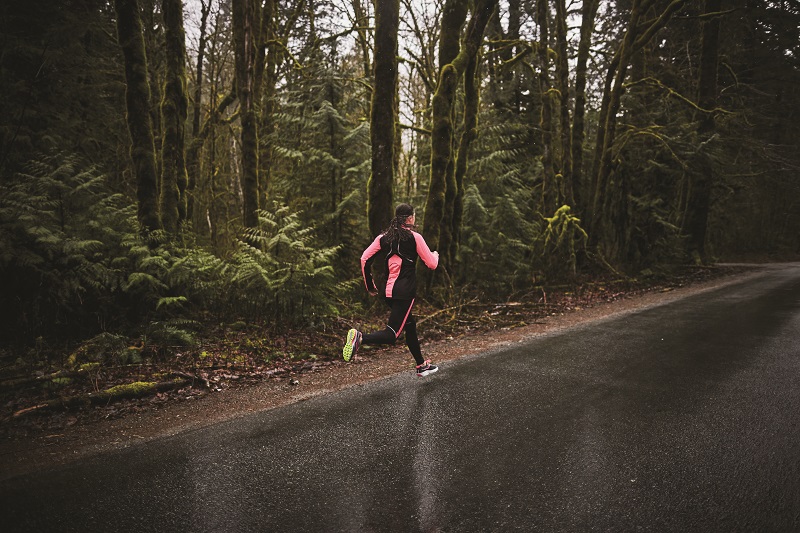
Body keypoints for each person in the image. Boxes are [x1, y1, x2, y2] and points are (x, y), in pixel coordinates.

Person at [343, 203, 440, 377]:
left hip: (389, 292)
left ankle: (421, 365)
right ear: (410, 218)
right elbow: (432, 264)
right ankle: (360, 338)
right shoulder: (415, 237)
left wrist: (370, 285)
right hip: (404, 293)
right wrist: (435, 255)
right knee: (392, 334)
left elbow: (364, 259)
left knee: (410, 325)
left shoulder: (383, 238)